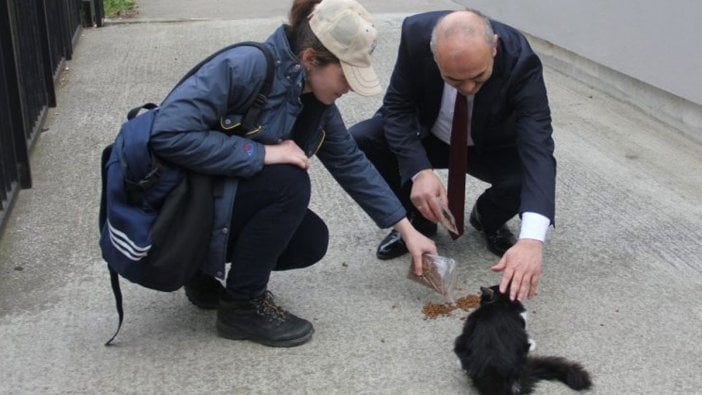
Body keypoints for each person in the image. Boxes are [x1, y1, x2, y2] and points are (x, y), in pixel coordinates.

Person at [149, 0, 436, 348]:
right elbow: (167, 135)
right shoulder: (247, 66)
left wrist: (406, 229)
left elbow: (349, 160)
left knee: (309, 240)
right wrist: (264, 152)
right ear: (310, 58)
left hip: (212, 197)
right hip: (173, 207)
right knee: (289, 181)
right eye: (345, 75)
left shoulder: (313, 96)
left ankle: (200, 270)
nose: (349, 87)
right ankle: (241, 305)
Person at [349, 9, 556, 302]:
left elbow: (538, 146)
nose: (468, 88)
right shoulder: (415, 35)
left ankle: (488, 217)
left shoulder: (521, 61)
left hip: (491, 144)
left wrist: (532, 240)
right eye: (454, 80)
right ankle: (416, 222)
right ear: (434, 56)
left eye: (478, 77)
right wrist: (419, 171)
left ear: (494, 47)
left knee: (525, 176)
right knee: (363, 139)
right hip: (430, 135)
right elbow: (397, 108)